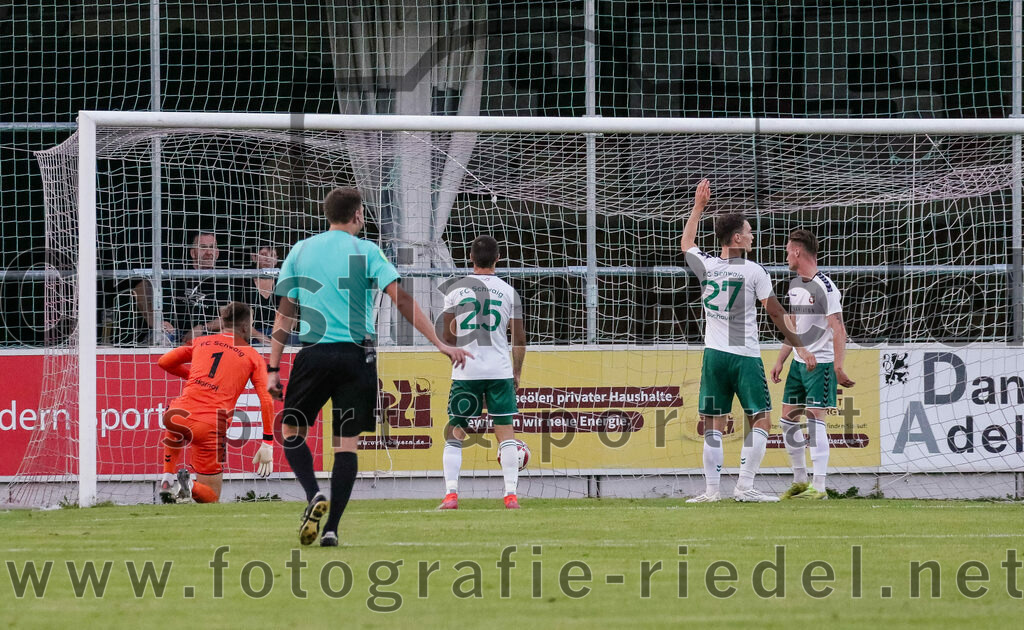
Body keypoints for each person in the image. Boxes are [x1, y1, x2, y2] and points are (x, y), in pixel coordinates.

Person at [266, 186, 472, 547]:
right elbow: (402, 298)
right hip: (356, 359)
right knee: (346, 446)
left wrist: (272, 367)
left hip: (313, 354)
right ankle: (331, 529)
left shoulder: (301, 250)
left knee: (291, 431)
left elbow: (285, 314)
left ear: (328, 214)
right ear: (358, 214)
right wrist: (438, 342)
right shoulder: (368, 250)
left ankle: (313, 492)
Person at [680, 179, 815, 503]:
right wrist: (799, 345)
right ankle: (744, 486)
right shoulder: (754, 271)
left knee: (712, 422)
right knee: (762, 419)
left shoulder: (707, 266)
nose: (753, 236)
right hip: (744, 356)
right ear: (738, 237)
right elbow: (776, 313)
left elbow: (686, 244)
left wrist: (698, 208)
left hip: (714, 356)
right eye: (750, 232)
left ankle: (712, 491)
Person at [437, 236, 527, 510]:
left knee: (455, 433)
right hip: (499, 370)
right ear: (498, 258)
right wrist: (517, 372)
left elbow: (447, 337)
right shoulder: (509, 291)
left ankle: (451, 494)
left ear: (470, 257)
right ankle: (510, 495)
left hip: (466, 370)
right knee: (505, 432)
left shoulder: (454, 290)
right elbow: (519, 340)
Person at [156, 301, 276, 504]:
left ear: (223, 322)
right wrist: (268, 442)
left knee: (176, 421)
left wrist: (193, 377)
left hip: (176, 414)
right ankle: (189, 486)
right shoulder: (252, 355)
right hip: (211, 426)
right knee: (211, 497)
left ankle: (168, 477)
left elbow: (164, 362)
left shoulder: (201, 341)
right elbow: (266, 398)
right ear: (246, 327)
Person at [771, 229, 856, 500]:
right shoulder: (796, 284)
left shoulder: (826, 287)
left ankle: (819, 487)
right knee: (786, 421)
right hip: (798, 364)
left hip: (819, 365)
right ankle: (800, 480)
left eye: (787, 251)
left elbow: (839, 329)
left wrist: (838, 366)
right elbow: (795, 326)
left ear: (797, 251)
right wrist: (781, 359)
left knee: (814, 420)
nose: (786, 256)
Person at [134, 231, 234, 344]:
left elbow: (231, 317)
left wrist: (202, 328)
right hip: (171, 331)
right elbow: (139, 288)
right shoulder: (175, 270)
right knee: (161, 339)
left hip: (206, 333)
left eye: (212, 247)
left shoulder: (225, 278)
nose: (209, 252)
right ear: (193, 253)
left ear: (217, 253)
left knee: (228, 337)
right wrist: (155, 321)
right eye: (203, 247)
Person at [234, 245, 282, 345]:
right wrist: (259, 335)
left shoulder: (283, 282)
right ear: (254, 257)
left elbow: (292, 317)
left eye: (272, 255)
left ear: (276, 260)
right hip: (250, 335)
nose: (268, 259)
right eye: (263, 254)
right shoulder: (244, 283)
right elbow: (239, 318)